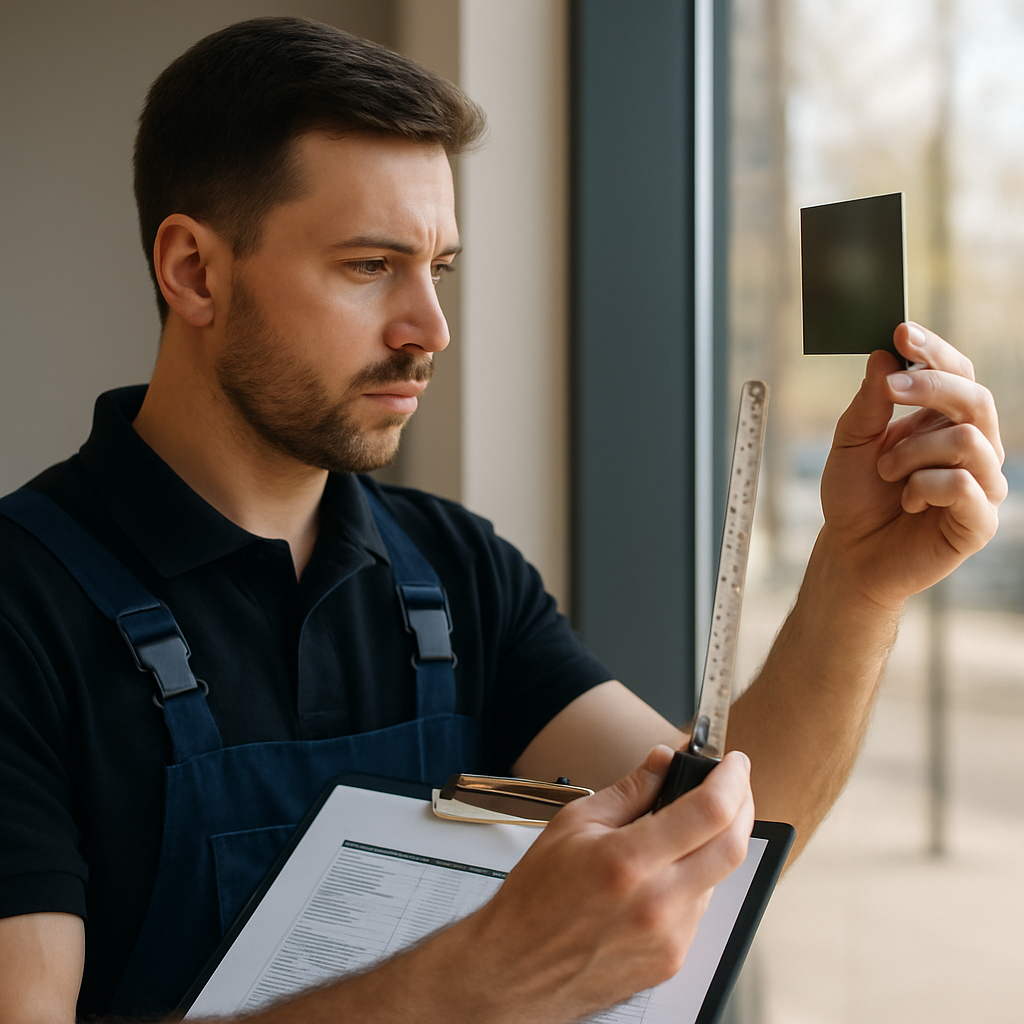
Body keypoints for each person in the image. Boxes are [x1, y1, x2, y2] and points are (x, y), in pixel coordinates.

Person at [0, 16, 1005, 1024]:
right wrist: (475, 980)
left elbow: (717, 848)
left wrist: (858, 578)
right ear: (194, 272)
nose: (428, 329)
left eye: (437, 267)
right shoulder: (20, 610)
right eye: (368, 266)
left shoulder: (453, 573)